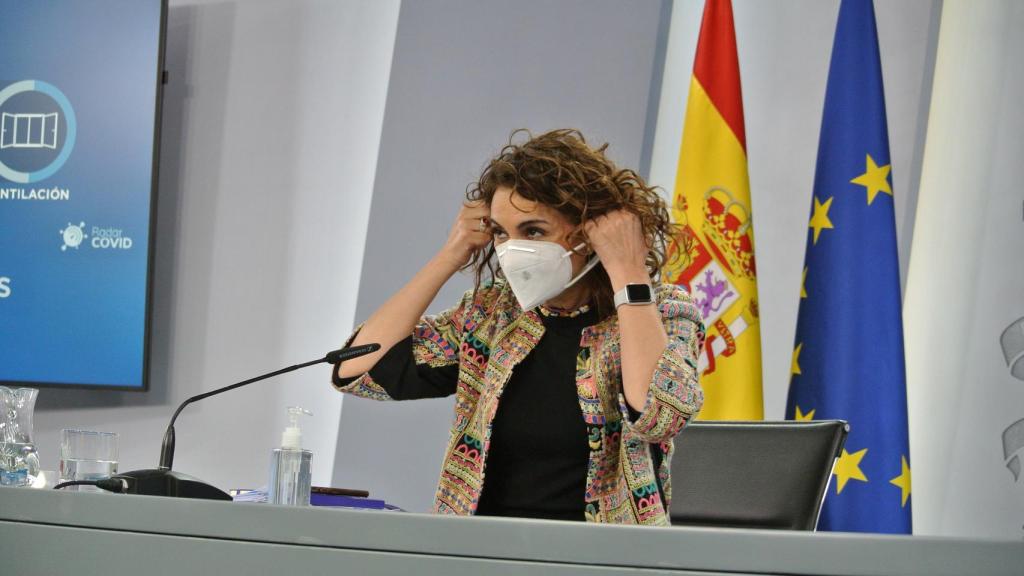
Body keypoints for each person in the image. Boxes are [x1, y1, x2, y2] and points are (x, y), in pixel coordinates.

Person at [334, 129, 704, 525]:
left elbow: (660, 416)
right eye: (500, 233)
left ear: (589, 229)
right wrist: (452, 253)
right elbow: (359, 369)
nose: (511, 250)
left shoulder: (663, 310)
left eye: (533, 231)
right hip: (481, 553)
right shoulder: (491, 313)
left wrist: (628, 269)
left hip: (604, 559)